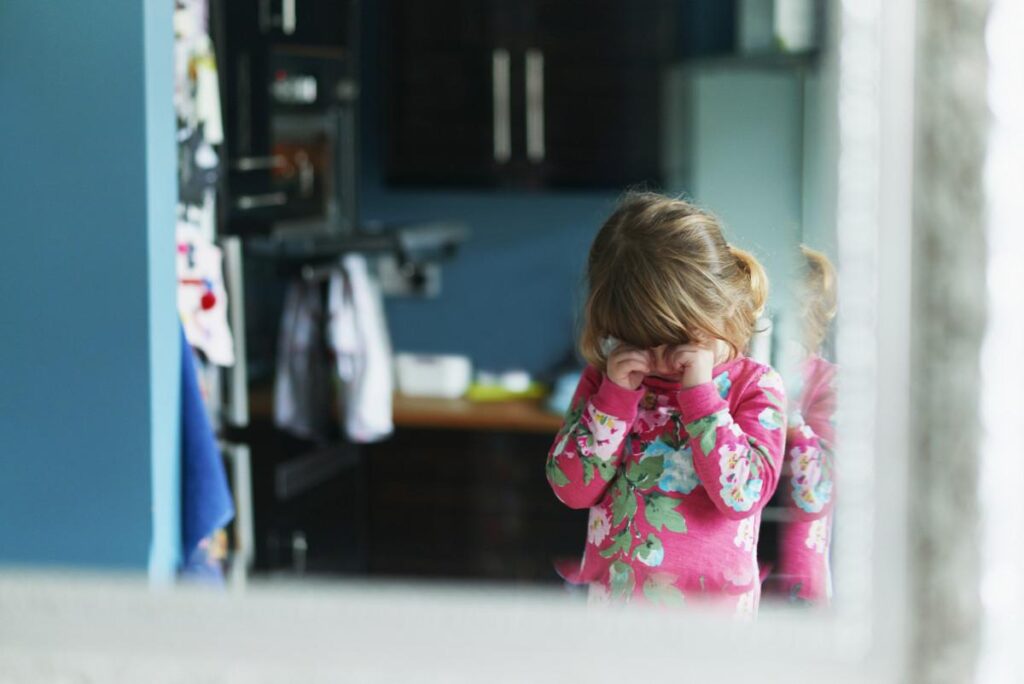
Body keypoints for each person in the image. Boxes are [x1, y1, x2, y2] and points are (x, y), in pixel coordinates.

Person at [546, 192, 786, 615]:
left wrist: (701, 398)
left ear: (718, 308)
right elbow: (571, 490)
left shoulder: (756, 386)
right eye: (636, 339)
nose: (658, 359)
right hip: (615, 613)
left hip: (713, 620)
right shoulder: (605, 381)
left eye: (676, 339)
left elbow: (742, 496)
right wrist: (615, 400)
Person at [773, 245, 838, 605]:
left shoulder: (829, 384)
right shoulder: (734, 373)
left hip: (795, 578)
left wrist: (784, 415)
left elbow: (819, 490)